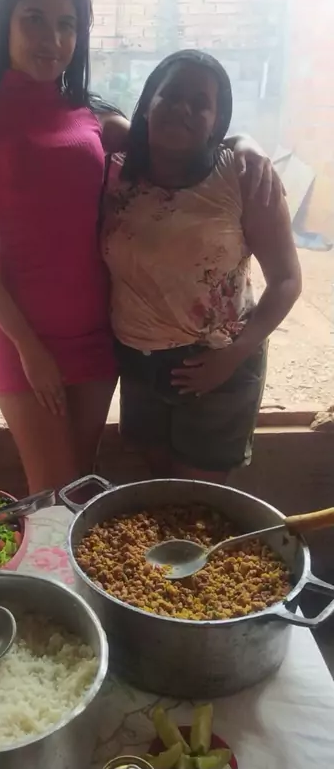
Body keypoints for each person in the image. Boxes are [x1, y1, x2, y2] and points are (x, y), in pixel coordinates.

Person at [0, 0, 285, 494]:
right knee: (52, 493)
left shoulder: (96, 121)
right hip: (21, 334)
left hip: (99, 334)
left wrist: (246, 144)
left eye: (67, 24)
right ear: (5, 21)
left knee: (81, 487)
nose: (51, 38)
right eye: (34, 19)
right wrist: (28, 346)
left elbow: (180, 141)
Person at [102, 50, 302, 483]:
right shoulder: (116, 171)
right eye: (171, 95)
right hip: (136, 360)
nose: (182, 109)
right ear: (148, 104)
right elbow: (80, 112)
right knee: (155, 485)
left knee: (195, 499)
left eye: (200, 103)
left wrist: (233, 356)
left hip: (216, 362)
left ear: (218, 121)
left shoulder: (244, 177)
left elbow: (287, 280)